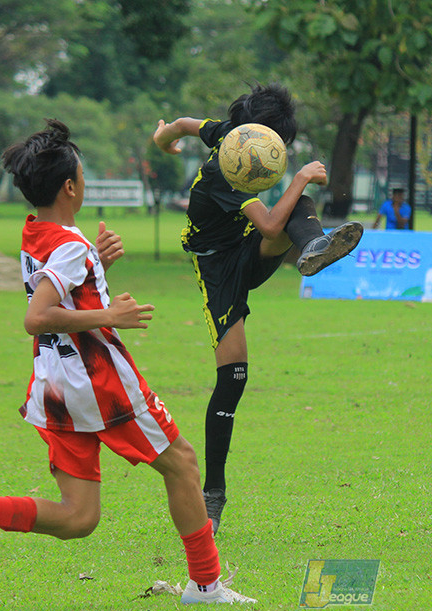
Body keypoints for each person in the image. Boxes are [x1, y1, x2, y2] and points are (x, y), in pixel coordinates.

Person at [0, 119, 254, 604]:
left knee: (79, 518)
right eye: (80, 174)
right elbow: (36, 316)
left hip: (55, 386)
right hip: (98, 382)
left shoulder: (38, 233)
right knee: (184, 464)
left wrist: (94, 267)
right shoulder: (69, 245)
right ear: (71, 186)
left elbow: (57, 285)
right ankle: (206, 585)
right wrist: (111, 313)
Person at [152, 84, 363, 535]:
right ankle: (213, 494)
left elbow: (190, 125)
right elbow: (268, 222)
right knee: (234, 377)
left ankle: (314, 247)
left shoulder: (230, 131)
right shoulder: (225, 171)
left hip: (250, 246)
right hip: (219, 270)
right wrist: (301, 176)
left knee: (296, 209)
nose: (272, 151)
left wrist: (163, 138)